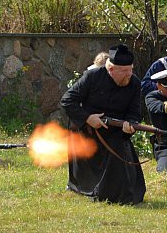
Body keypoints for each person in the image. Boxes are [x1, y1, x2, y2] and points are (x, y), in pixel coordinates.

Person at [60, 44, 146, 205]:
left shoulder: (134, 83)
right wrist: (87, 118)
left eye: (131, 70)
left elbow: (134, 113)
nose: (129, 75)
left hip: (115, 132)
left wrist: (130, 125)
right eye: (125, 71)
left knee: (120, 150)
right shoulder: (92, 77)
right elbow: (67, 100)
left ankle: (118, 194)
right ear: (111, 69)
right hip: (87, 130)